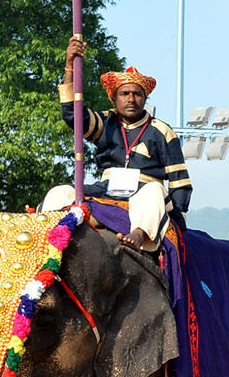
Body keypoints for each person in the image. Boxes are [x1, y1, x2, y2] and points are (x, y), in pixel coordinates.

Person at [40, 37, 193, 252]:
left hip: (145, 195)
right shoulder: (105, 122)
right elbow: (72, 116)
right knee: (60, 192)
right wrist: (69, 66)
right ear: (114, 99)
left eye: (137, 94)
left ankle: (139, 235)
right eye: (124, 94)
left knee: (154, 190)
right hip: (106, 191)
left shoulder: (161, 130)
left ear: (144, 99)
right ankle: (39, 239)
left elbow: (180, 183)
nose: (131, 99)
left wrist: (179, 222)